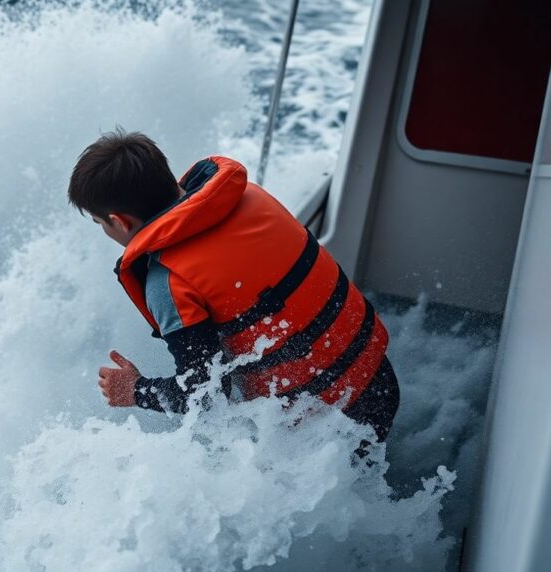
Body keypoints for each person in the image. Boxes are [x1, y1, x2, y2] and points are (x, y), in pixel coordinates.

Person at [68, 129, 399, 441]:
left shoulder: (168, 281)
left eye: (100, 223)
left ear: (119, 221)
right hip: (378, 381)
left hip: (324, 430)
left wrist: (135, 390)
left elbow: (204, 397)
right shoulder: (249, 196)